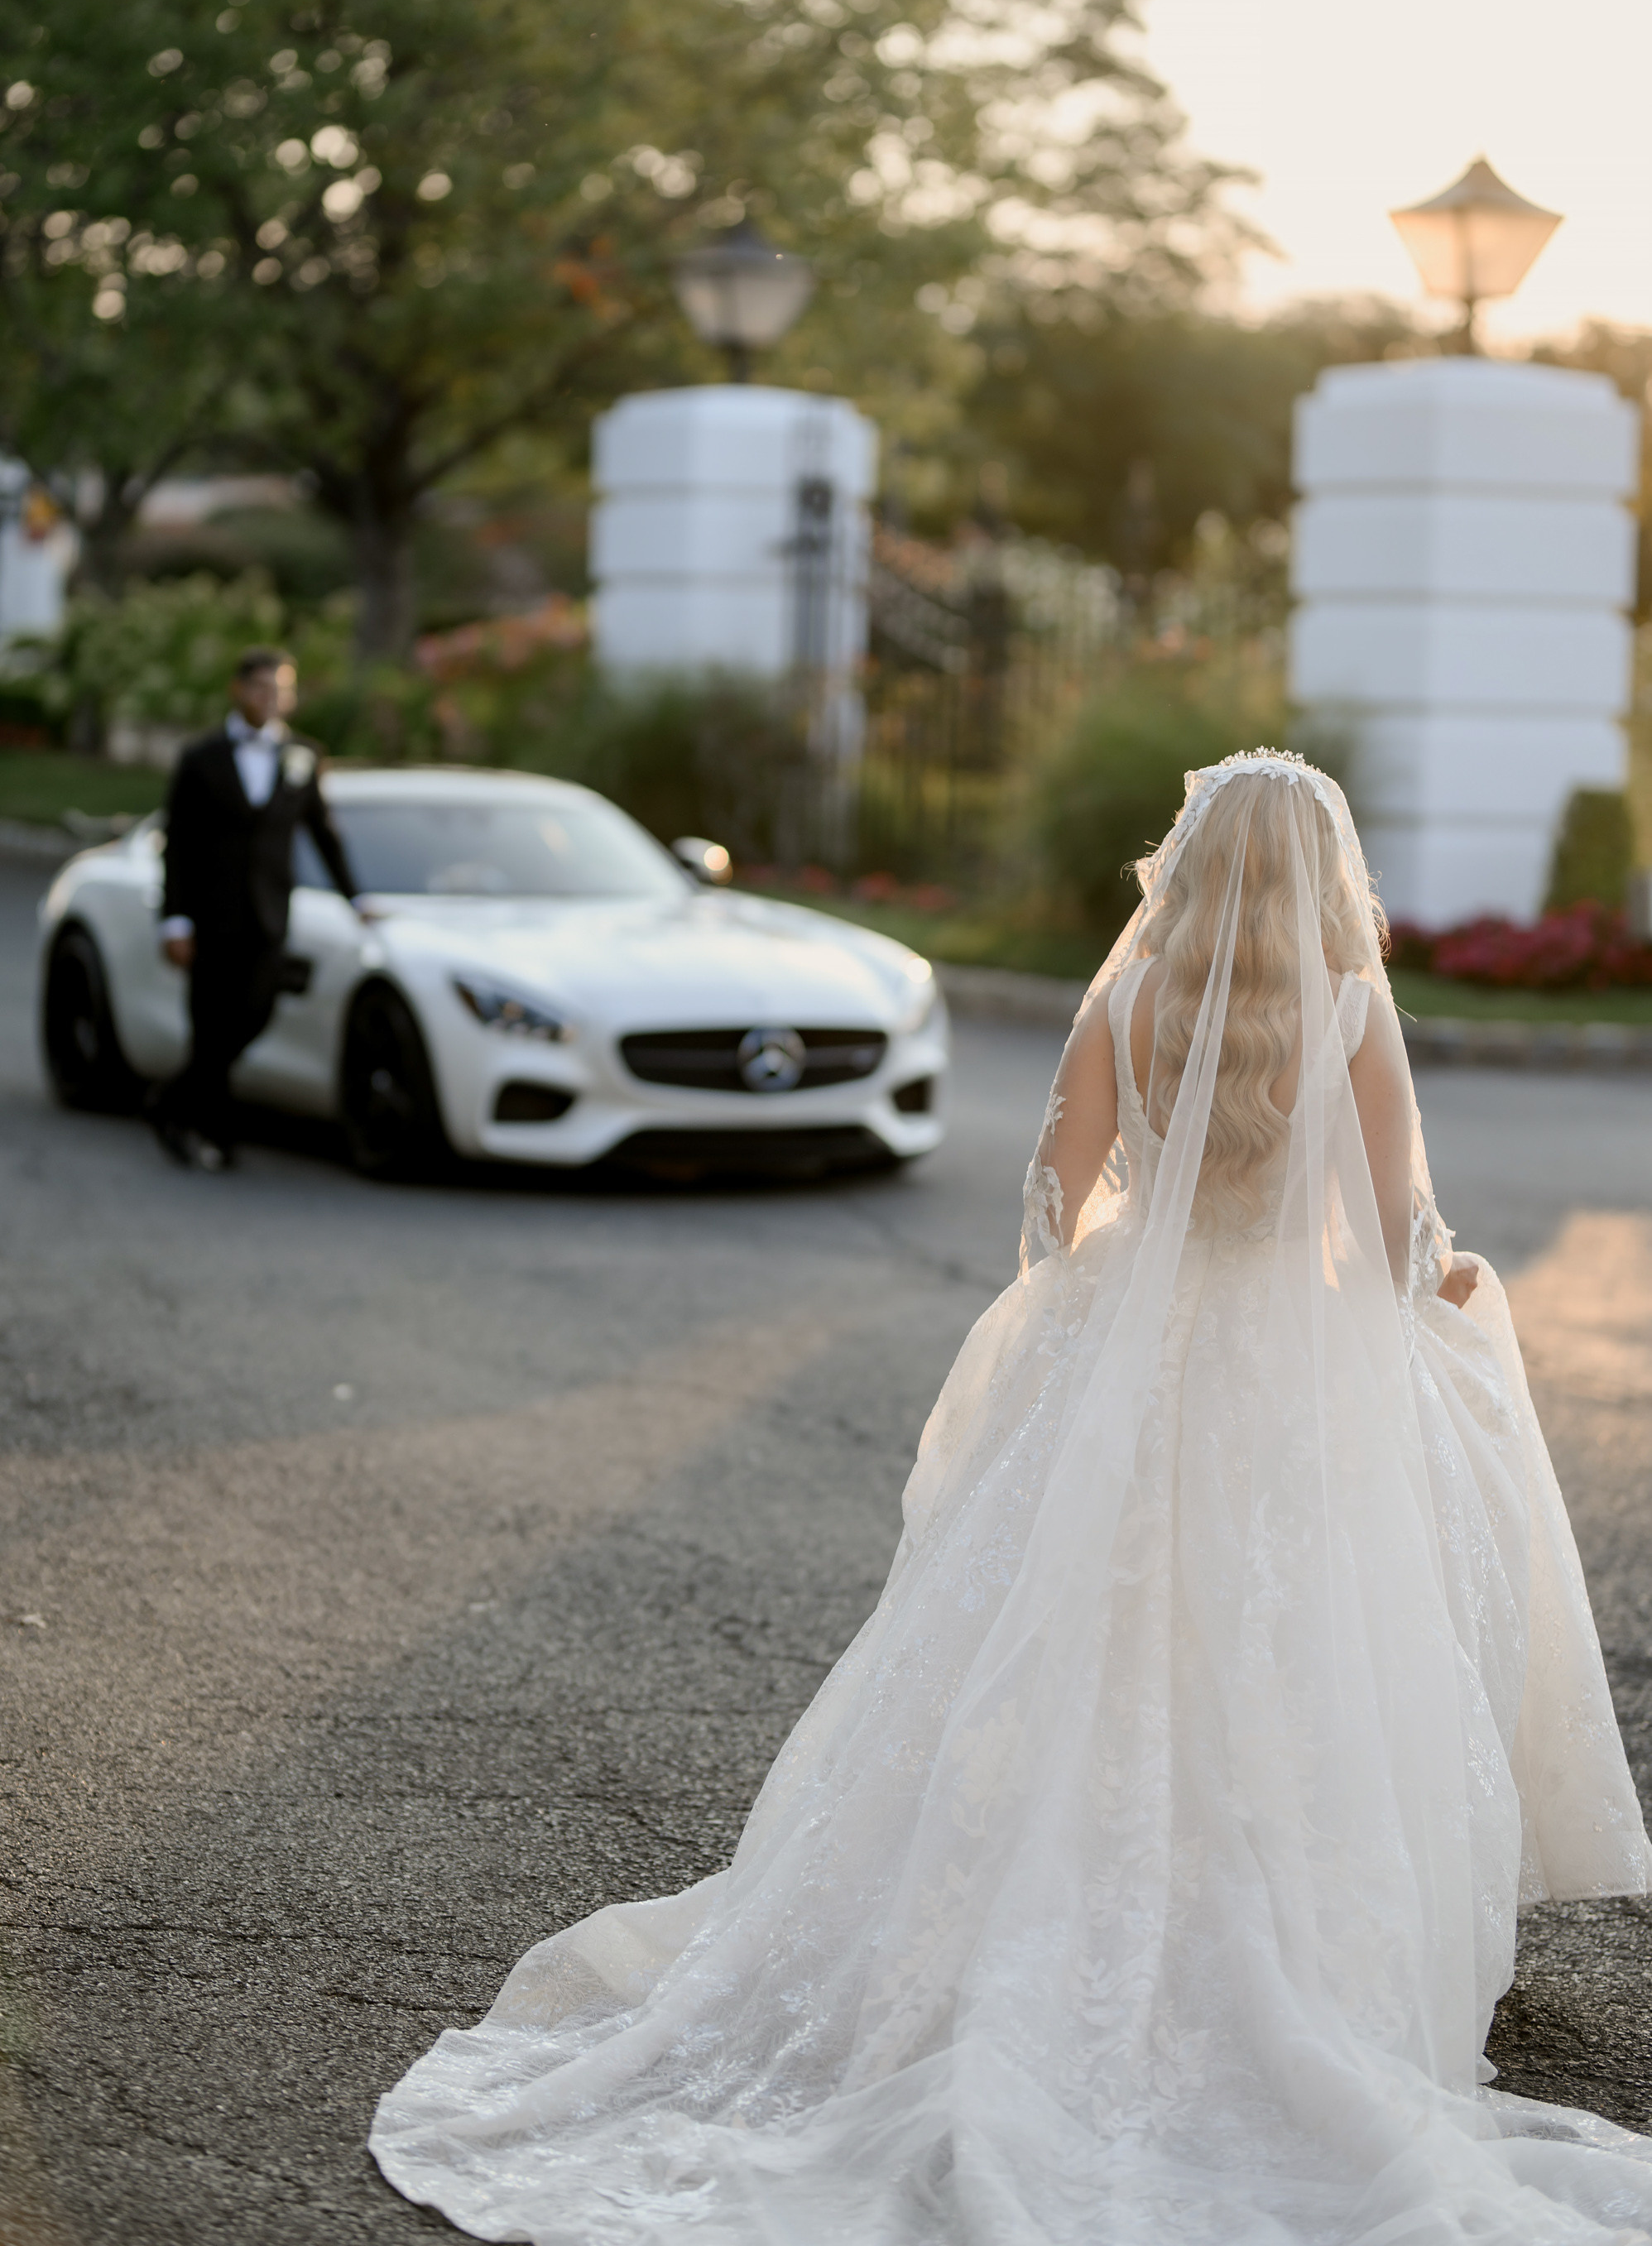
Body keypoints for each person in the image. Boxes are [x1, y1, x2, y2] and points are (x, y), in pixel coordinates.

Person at [371, 752, 1652, 2245]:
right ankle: (1269, 1956)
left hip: (1123, 1353)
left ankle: (1012, 1931)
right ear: (1322, 869)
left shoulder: (1129, 995)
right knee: (1277, 1658)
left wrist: (1112, 1288)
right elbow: (1388, 1241)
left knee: (1063, 1652)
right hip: (1281, 1382)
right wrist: (1444, 1282)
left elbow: (1056, 1199)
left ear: (1185, 856)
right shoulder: (1351, 1006)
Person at [151, 646, 362, 1170]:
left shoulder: (303, 757)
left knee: (254, 1013)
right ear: (239, 690)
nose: (271, 699)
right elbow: (177, 844)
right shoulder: (201, 759)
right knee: (210, 1022)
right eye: (262, 688)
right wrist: (174, 919)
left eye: (281, 690)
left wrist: (357, 898)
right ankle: (213, 1135)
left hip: (269, 915)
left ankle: (168, 1103)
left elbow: (324, 836)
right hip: (209, 916)